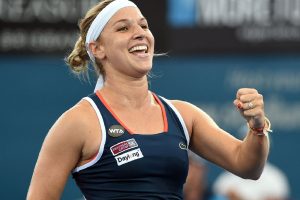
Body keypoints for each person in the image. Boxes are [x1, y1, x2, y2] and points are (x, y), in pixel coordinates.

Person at [26, 0, 272, 199]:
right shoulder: (79, 122)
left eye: (143, 26)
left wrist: (257, 127)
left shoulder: (183, 115)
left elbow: (247, 166)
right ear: (98, 49)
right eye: (124, 28)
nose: (140, 34)